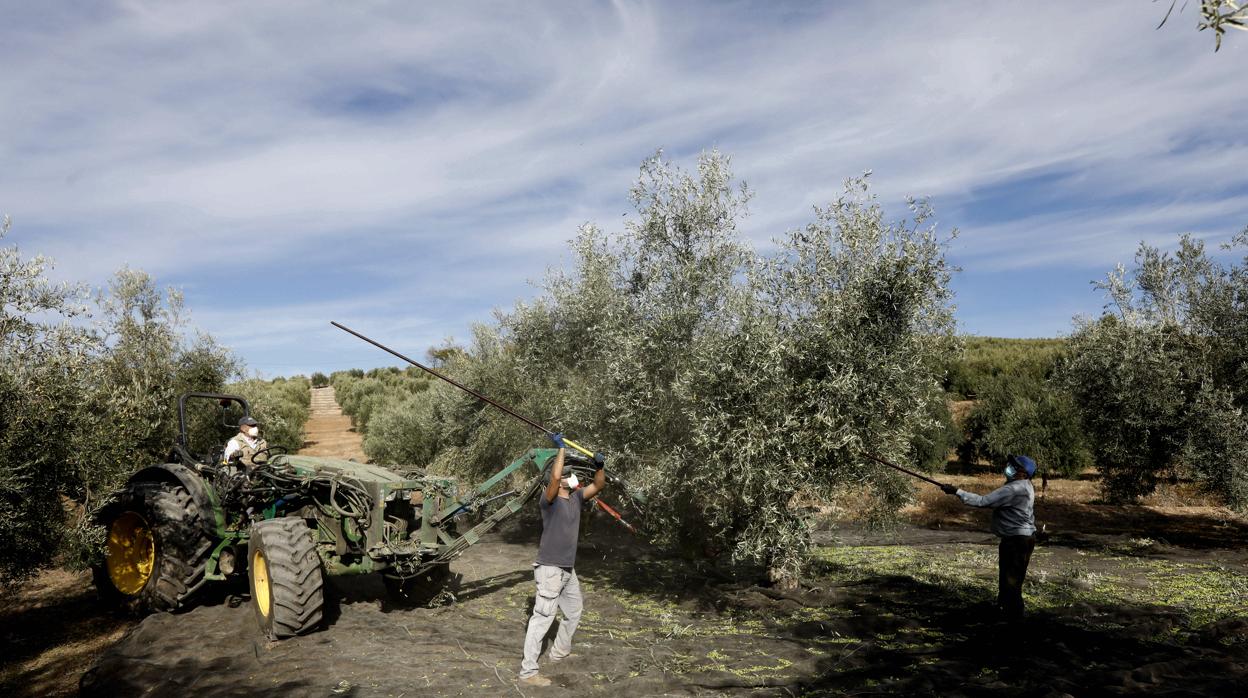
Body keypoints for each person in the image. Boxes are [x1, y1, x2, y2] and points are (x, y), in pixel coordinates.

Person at [518, 433, 606, 687]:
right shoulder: (549, 501)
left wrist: (600, 466)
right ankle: (527, 673)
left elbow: (598, 486)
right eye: (568, 473)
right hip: (549, 568)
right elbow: (555, 476)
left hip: (567, 568)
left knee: (574, 610)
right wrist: (561, 450)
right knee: (542, 619)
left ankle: (559, 652)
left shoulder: (577, 499)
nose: (571, 475)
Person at [942, 454, 1037, 623]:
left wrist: (956, 491)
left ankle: (1013, 620)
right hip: (1021, 539)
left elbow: (982, 501)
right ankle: (1006, 613)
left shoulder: (1013, 489)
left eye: (1013, 465)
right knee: (1010, 580)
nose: (1009, 466)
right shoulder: (1026, 486)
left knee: (1011, 583)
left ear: (1022, 472)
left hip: (1016, 541)